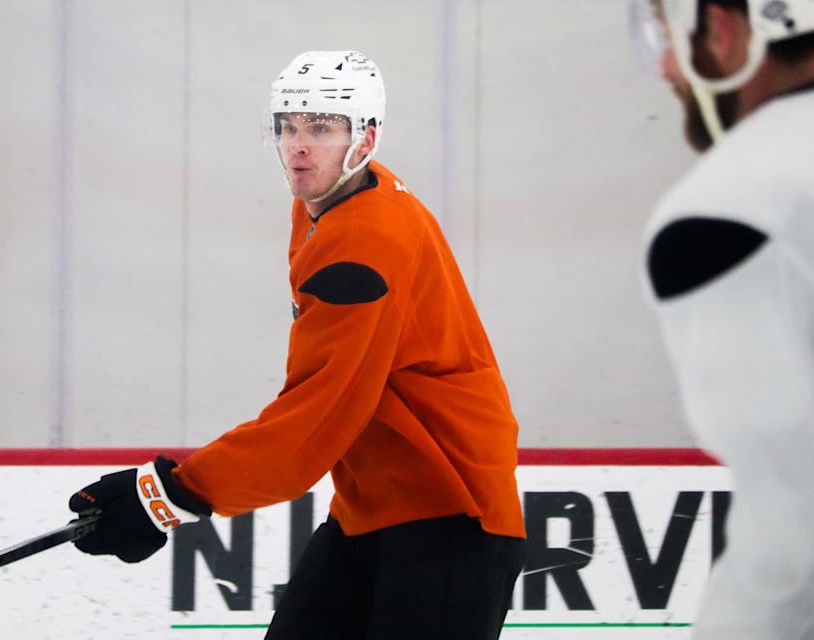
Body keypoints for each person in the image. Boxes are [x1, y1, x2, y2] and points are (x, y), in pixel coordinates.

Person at [68, 50, 526, 639]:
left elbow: (318, 416)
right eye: (288, 126)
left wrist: (172, 495)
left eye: (321, 126)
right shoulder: (328, 205)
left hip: (450, 516)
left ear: (366, 139)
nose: (298, 145)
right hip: (370, 510)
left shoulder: (363, 240)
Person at [630, 1, 814, 637]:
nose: (665, 66)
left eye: (669, 33)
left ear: (721, 27)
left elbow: (794, 537)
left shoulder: (734, 206)